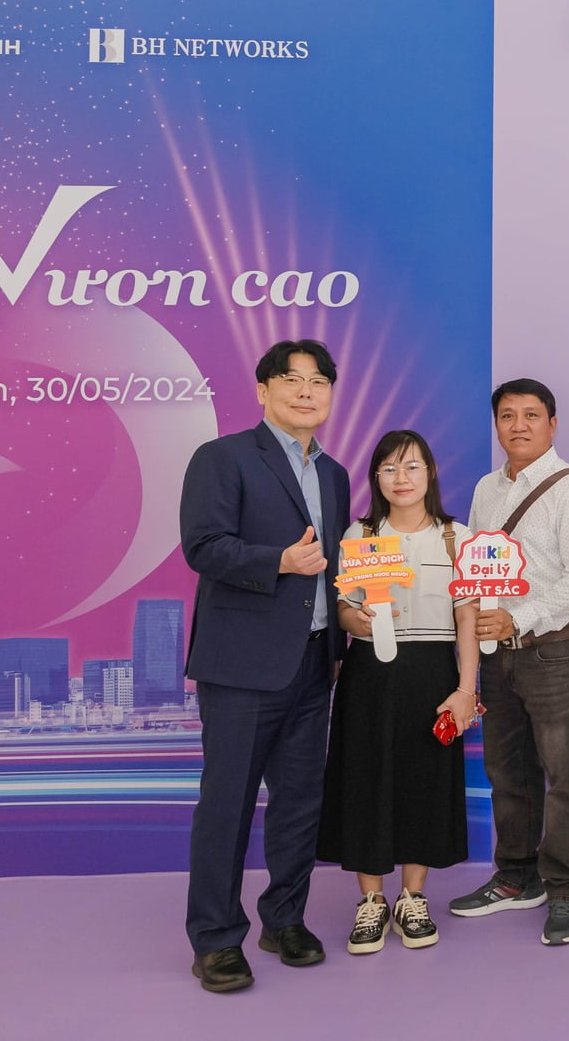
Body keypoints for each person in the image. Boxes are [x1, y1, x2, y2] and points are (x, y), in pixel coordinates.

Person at [179, 339, 351, 993]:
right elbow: (203, 545)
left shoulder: (334, 474)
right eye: (291, 379)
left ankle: (283, 919)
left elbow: (335, 568)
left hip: (313, 662)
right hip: (242, 667)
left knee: (300, 802)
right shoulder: (222, 458)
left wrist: (343, 637)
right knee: (227, 805)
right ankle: (216, 939)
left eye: (318, 381)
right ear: (262, 390)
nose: (306, 391)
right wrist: (278, 561)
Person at [447, 379, 569, 948]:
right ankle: (516, 876)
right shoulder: (487, 489)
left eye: (531, 415)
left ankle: (564, 889)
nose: (518, 425)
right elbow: (478, 570)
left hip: (556, 650)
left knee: (565, 777)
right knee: (507, 772)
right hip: (497, 656)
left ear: (552, 424)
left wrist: (520, 617)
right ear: (496, 426)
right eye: (507, 415)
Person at [317, 430, 478, 955]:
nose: (400, 478)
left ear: (430, 473)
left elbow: (468, 618)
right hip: (369, 673)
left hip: (433, 673)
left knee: (424, 780)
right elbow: (344, 608)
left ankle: (413, 898)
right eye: (388, 468)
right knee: (365, 778)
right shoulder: (361, 534)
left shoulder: (457, 537)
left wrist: (466, 689)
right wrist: (356, 620)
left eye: (411, 467)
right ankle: (371, 901)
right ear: (376, 478)